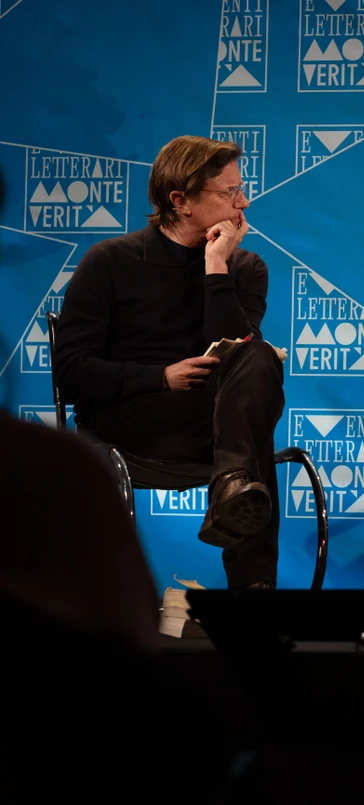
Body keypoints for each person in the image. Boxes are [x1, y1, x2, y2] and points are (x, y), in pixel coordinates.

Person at [56, 134, 285, 590]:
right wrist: (159, 377)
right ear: (180, 200)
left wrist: (216, 266)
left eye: (241, 189)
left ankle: (231, 486)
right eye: (229, 193)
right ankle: (254, 588)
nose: (244, 202)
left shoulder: (245, 268)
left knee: (255, 357)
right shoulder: (110, 261)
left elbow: (236, 349)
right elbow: (71, 369)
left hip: (213, 426)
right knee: (250, 435)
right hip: (130, 421)